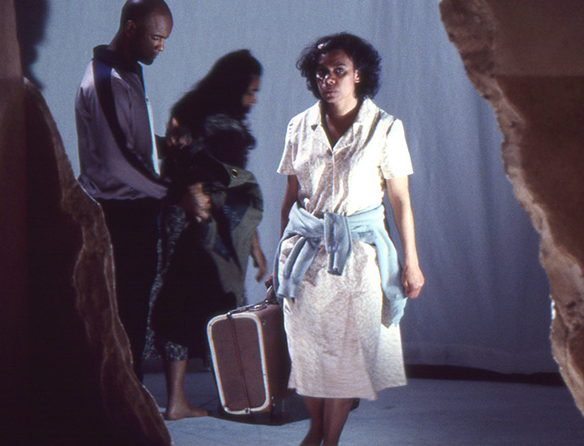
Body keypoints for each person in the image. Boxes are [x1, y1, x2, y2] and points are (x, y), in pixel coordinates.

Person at [273, 33, 425, 446]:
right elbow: (290, 200)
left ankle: (327, 439)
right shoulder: (298, 127)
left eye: (339, 70)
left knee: (346, 357)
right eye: (321, 71)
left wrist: (410, 262)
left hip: (358, 258)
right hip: (305, 255)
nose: (329, 79)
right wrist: (278, 261)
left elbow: (400, 199)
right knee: (306, 355)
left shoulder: (386, 128)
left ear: (358, 75)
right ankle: (317, 430)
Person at [75, 0, 202, 380]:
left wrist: (166, 144)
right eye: (156, 38)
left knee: (133, 312)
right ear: (131, 29)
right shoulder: (104, 79)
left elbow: (130, 142)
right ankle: (120, 405)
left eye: (165, 39)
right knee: (120, 311)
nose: (162, 47)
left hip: (137, 211)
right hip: (116, 216)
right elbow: (115, 160)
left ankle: (127, 399)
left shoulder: (130, 69)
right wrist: (176, 195)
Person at [147, 49, 269, 420]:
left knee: (179, 306)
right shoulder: (221, 126)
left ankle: (177, 401)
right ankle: (233, 396)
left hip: (185, 220)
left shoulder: (189, 115)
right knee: (220, 305)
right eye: (250, 91)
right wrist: (252, 245)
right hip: (207, 224)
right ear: (233, 88)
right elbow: (227, 189)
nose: (253, 99)